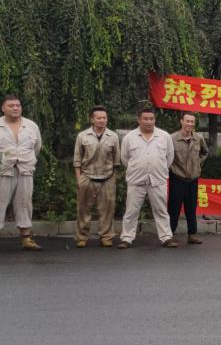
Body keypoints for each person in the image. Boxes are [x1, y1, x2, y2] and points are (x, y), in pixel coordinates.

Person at [119, 107, 176, 249]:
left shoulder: (164, 136)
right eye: (145, 119)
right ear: (139, 120)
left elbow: (169, 157)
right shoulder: (129, 137)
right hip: (136, 180)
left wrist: (159, 169)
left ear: (155, 120)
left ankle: (166, 237)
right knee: (131, 211)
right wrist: (137, 168)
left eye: (151, 119)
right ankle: (127, 238)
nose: (149, 122)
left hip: (158, 179)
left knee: (161, 210)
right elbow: (125, 158)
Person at [73, 105, 120, 248]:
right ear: (92, 119)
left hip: (107, 177)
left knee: (107, 210)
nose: (102, 120)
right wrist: (79, 179)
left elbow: (116, 160)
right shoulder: (82, 136)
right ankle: (82, 237)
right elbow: (77, 159)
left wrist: (113, 178)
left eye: (104, 118)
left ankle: (106, 236)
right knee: (83, 209)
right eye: (99, 118)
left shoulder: (113, 136)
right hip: (87, 177)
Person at [0, 95, 43, 251]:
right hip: (3, 171)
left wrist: (27, 161)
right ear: (3, 108)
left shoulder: (31, 126)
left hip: (25, 170)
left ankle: (26, 239)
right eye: (11, 105)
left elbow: (37, 147)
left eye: (18, 105)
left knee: (24, 203)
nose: (15, 108)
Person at [168, 113, 209, 245]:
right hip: (177, 177)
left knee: (191, 208)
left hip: (192, 179)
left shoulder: (198, 138)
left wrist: (198, 164)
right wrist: (171, 167)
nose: (190, 124)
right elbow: (166, 155)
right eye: (187, 121)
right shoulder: (172, 138)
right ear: (181, 121)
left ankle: (192, 234)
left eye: (192, 122)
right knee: (174, 208)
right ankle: (169, 235)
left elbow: (205, 152)